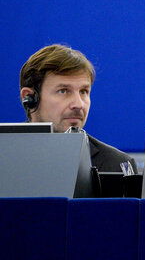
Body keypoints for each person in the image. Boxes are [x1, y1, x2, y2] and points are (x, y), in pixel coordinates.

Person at [19, 44, 138, 173]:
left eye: (83, 91)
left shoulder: (117, 165)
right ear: (30, 98)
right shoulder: (5, 157)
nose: (79, 104)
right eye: (63, 91)